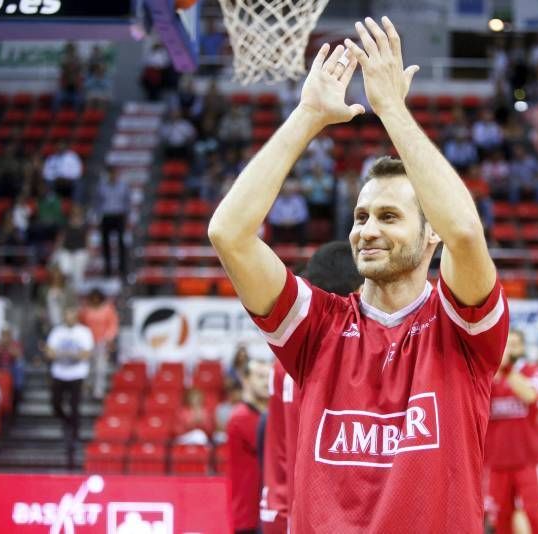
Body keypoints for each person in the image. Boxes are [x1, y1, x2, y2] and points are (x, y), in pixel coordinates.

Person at [209, 16, 509, 533]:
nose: (368, 230)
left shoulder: (459, 330)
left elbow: (463, 231)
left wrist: (391, 108)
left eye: (390, 217)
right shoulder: (318, 326)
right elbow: (228, 233)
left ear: (428, 234)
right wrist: (307, 115)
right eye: (361, 216)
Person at [261, 240, 364, 534]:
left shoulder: (284, 363)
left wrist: (276, 518)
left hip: (299, 517)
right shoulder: (368, 356)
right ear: (359, 291)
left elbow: (278, 457)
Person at [484, 330, 538, 534]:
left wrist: (507, 370)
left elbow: (530, 396)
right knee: (500, 520)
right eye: (507, 344)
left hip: (527, 460)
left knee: (534, 517)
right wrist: (497, 370)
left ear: (522, 348)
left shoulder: (532, 371)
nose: (510, 348)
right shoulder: (487, 375)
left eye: (515, 344)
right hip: (496, 462)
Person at [45, 306, 94, 468]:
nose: (70, 318)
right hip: (59, 372)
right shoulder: (57, 332)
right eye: (67, 314)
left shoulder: (84, 332)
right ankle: (67, 422)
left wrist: (62, 354)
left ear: (77, 316)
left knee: (75, 405)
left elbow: (86, 354)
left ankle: (74, 436)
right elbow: (49, 352)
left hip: (77, 374)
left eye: (72, 314)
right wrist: (71, 354)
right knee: (55, 404)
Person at [227, 357, 271, 534]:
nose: (266, 382)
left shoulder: (263, 415)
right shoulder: (241, 417)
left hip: (264, 513)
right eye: (260, 376)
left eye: (269, 377)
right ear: (245, 380)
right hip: (248, 517)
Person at [78, 289, 118, 400]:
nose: (95, 300)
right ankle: (86, 388)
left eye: (97, 298)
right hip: (87, 342)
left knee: (100, 367)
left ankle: (98, 390)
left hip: (102, 341)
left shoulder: (108, 309)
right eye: (93, 298)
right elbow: (81, 324)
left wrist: (109, 338)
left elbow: (113, 324)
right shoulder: (85, 309)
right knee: (87, 367)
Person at [96, 169, 131, 278]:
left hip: (119, 216)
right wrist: (98, 217)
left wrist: (127, 218)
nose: (113, 175)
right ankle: (107, 269)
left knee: (121, 243)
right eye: (111, 173)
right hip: (106, 216)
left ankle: (122, 269)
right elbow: (97, 202)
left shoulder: (123, 186)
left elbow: (127, 202)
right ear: (108, 174)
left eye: (114, 173)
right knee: (105, 244)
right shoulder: (102, 186)